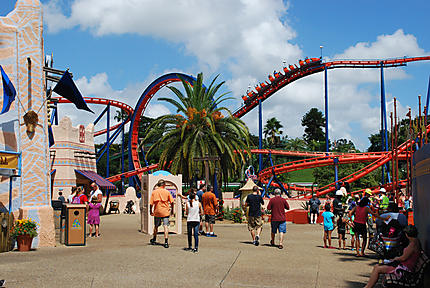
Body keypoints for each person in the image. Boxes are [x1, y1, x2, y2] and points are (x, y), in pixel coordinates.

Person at [149, 179, 174, 248]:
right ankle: (166, 242)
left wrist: (150, 210)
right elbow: (172, 202)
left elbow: (151, 203)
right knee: (165, 226)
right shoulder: (167, 192)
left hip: (157, 212)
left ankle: (154, 239)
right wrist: (172, 210)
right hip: (165, 212)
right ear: (164, 185)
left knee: (156, 226)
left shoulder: (154, 192)